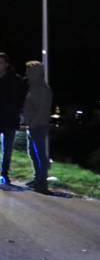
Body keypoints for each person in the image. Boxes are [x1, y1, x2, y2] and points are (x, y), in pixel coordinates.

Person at [21, 61, 52, 194]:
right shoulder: (33, 87)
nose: (26, 73)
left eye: (29, 71)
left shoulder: (42, 89)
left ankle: (41, 183)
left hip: (38, 126)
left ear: (36, 72)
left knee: (40, 155)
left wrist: (33, 123)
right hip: (33, 125)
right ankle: (37, 179)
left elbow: (42, 109)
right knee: (33, 154)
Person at [0, 52, 27, 186]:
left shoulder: (16, 80)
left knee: (8, 149)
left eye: (0, 63)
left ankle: (4, 173)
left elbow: (21, 98)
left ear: (6, 64)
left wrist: (19, 113)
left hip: (10, 119)